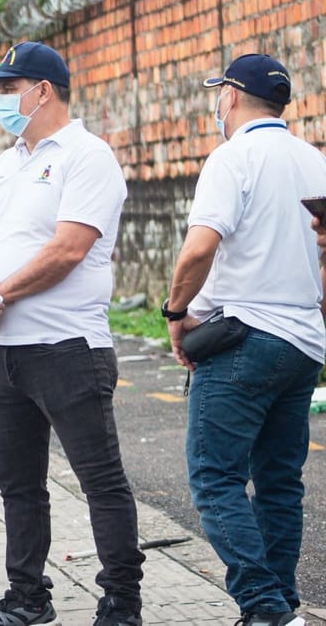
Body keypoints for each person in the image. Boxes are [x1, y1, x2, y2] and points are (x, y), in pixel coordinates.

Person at [0, 41, 144, 626]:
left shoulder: (87, 156)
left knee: (101, 482)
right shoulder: (6, 160)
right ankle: (27, 597)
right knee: (19, 485)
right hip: (4, 353)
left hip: (67, 348)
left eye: (8, 90)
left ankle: (121, 602)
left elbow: (67, 249)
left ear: (43, 90)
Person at [165, 53, 326, 626]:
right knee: (280, 483)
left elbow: (201, 247)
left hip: (244, 339)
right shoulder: (316, 162)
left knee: (215, 477)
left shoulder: (232, 159)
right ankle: (281, 606)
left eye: (218, 94)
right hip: (305, 342)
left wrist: (176, 310)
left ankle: (264, 607)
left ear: (230, 97)